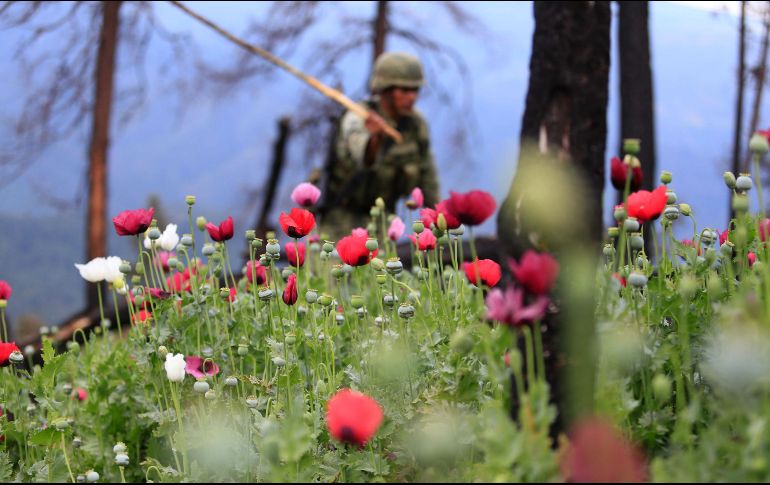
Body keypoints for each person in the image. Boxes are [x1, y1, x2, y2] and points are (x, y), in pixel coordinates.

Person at [321, 52, 440, 238]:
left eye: (415, 90)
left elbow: (428, 177)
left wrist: (439, 222)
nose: (412, 97)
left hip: (385, 224)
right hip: (342, 222)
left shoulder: (416, 125)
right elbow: (363, 156)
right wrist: (375, 139)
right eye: (404, 90)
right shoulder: (357, 118)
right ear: (385, 89)